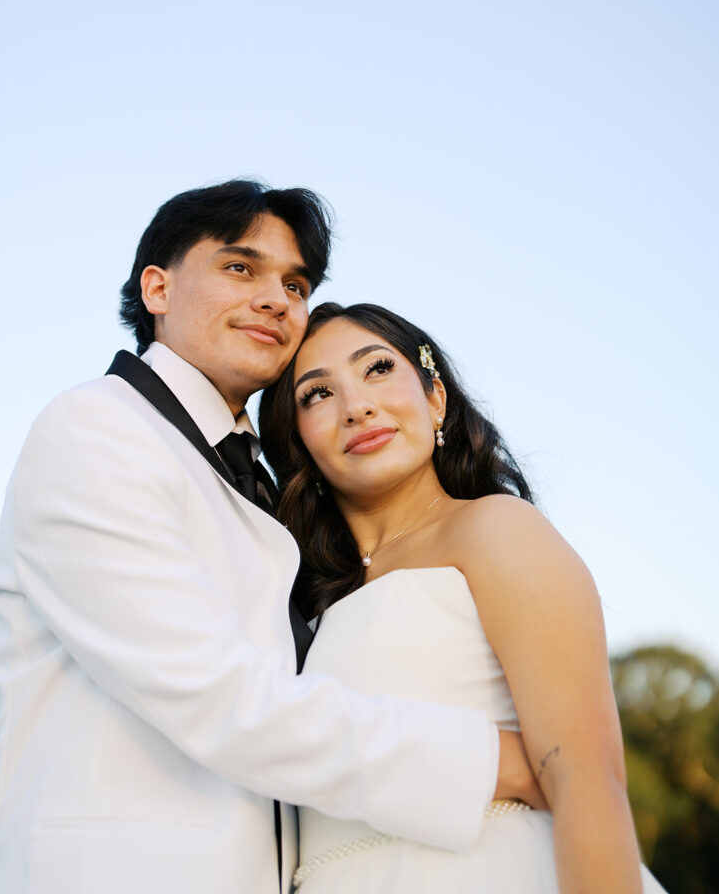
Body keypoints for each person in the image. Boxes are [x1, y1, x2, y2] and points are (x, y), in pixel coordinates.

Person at [0, 182, 540, 894]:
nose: (277, 298)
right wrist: (496, 764)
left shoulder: (263, 483)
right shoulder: (97, 428)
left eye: (295, 283)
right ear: (157, 288)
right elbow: (217, 694)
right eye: (241, 268)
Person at [259, 301, 668, 894]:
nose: (358, 406)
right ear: (298, 441)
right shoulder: (298, 604)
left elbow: (588, 780)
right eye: (317, 394)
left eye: (376, 369)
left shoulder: (495, 528)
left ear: (434, 398)